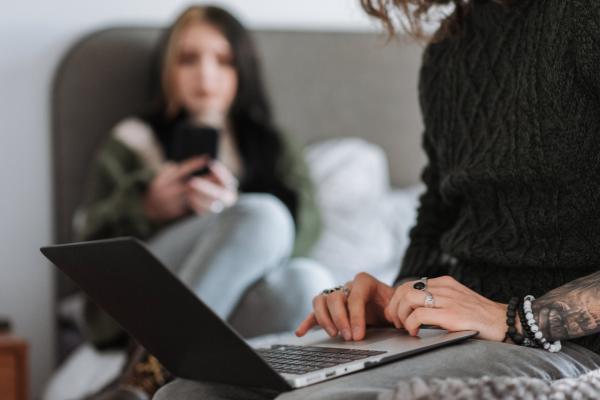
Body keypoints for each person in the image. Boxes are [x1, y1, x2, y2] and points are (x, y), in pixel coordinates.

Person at [154, 0, 600, 399]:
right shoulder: (448, 52)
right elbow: (437, 220)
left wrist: (512, 319)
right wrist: (396, 300)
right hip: (452, 332)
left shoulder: (582, 18)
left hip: (564, 342)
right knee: (188, 391)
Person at [79, 5, 335, 350]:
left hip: (229, 307)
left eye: (223, 60)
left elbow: (306, 231)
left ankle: (177, 361)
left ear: (243, 69)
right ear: (167, 67)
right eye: (188, 59)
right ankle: (152, 363)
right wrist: (147, 208)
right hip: (147, 303)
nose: (205, 74)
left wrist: (236, 220)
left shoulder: (274, 146)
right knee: (264, 215)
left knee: (310, 281)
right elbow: (90, 246)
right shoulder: (132, 141)